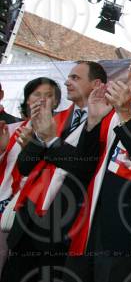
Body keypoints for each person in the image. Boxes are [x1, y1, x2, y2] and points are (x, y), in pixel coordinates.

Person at [63, 50, 131, 282]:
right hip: (90, 223)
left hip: (129, 235)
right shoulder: (108, 109)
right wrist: (93, 122)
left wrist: (125, 114)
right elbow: (80, 168)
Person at [1, 62, 107, 282]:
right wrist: (40, 139)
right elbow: (25, 166)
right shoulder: (56, 117)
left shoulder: (105, 122)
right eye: (68, 77)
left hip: (61, 230)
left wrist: (51, 141)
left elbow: (83, 168)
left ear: (96, 84)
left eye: (76, 78)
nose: (67, 82)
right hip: (27, 223)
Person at [0, 77, 61, 275]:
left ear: (56, 102)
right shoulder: (9, 128)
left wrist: (34, 148)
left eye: (48, 96)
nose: (42, 100)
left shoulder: (59, 133)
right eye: (37, 94)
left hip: (23, 212)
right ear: (27, 99)